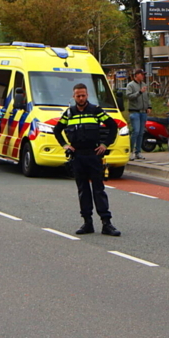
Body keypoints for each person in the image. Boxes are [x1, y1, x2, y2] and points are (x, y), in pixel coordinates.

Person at [53, 83, 120, 236]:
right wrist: (65, 145)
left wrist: (105, 144)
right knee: (83, 190)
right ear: (74, 96)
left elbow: (112, 126)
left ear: (87, 95)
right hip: (77, 156)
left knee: (99, 189)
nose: (81, 98)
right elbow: (57, 130)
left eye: (83, 95)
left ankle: (106, 223)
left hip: (93, 155)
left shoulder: (95, 111)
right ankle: (87, 223)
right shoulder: (69, 113)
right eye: (78, 96)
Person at [124, 68, 151, 161]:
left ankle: (138, 152)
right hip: (134, 111)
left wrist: (149, 106)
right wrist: (139, 92)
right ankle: (131, 151)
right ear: (136, 75)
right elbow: (129, 96)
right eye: (142, 74)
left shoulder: (144, 85)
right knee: (135, 131)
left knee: (141, 132)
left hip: (143, 112)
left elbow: (147, 97)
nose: (143, 76)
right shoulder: (130, 85)